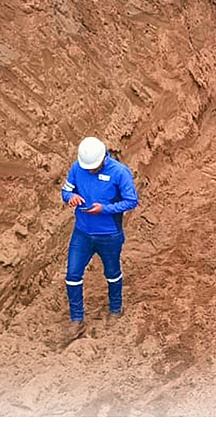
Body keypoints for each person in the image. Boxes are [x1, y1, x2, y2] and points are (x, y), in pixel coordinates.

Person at [61, 136, 139, 339]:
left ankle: (116, 308)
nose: (89, 171)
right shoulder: (78, 167)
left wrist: (104, 209)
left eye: (93, 168)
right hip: (82, 233)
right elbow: (66, 191)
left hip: (109, 235)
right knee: (72, 275)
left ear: (104, 158)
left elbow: (131, 201)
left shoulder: (120, 172)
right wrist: (71, 198)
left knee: (112, 273)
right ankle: (76, 320)